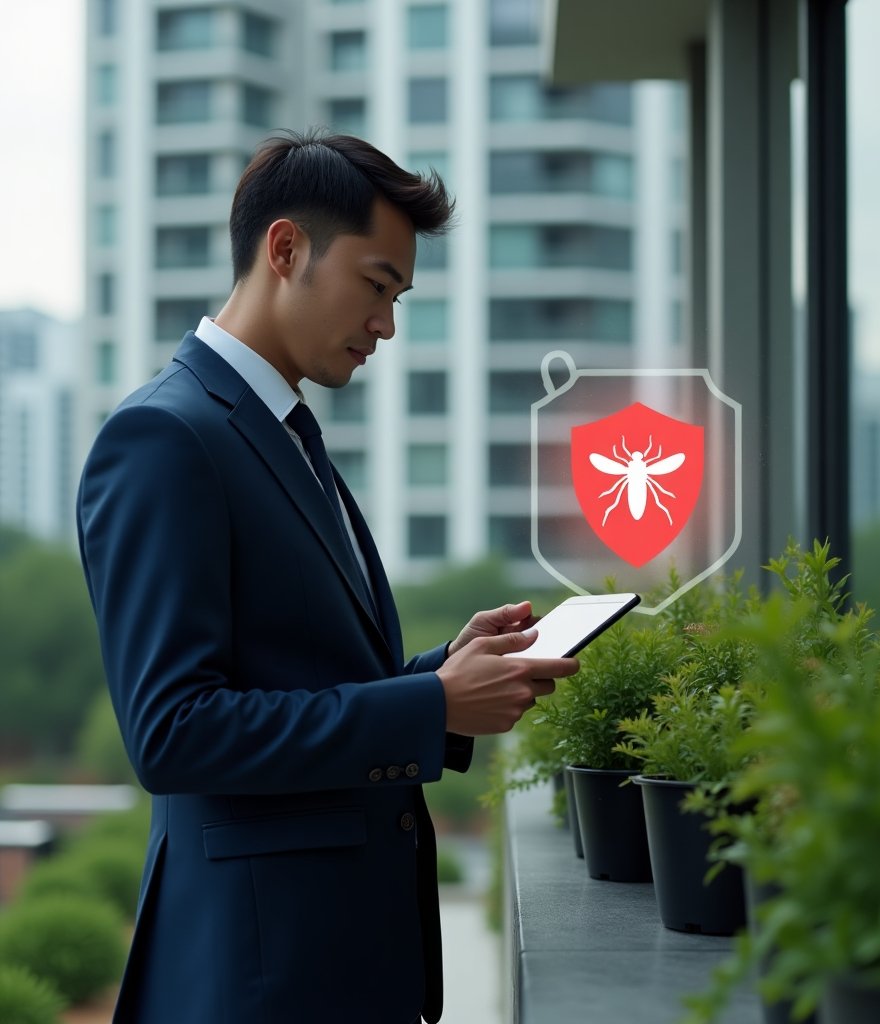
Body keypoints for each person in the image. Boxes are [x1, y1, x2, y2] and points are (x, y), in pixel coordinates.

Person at [77, 129, 579, 1024]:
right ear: (285, 249)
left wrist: (441, 673)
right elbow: (174, 733)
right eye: (377, 285)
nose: (386, 322)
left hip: (330, 969)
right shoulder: (165, 438)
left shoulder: (283, 432)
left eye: (399, 295)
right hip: (255, 982)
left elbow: (298, 675)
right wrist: (429, 710)